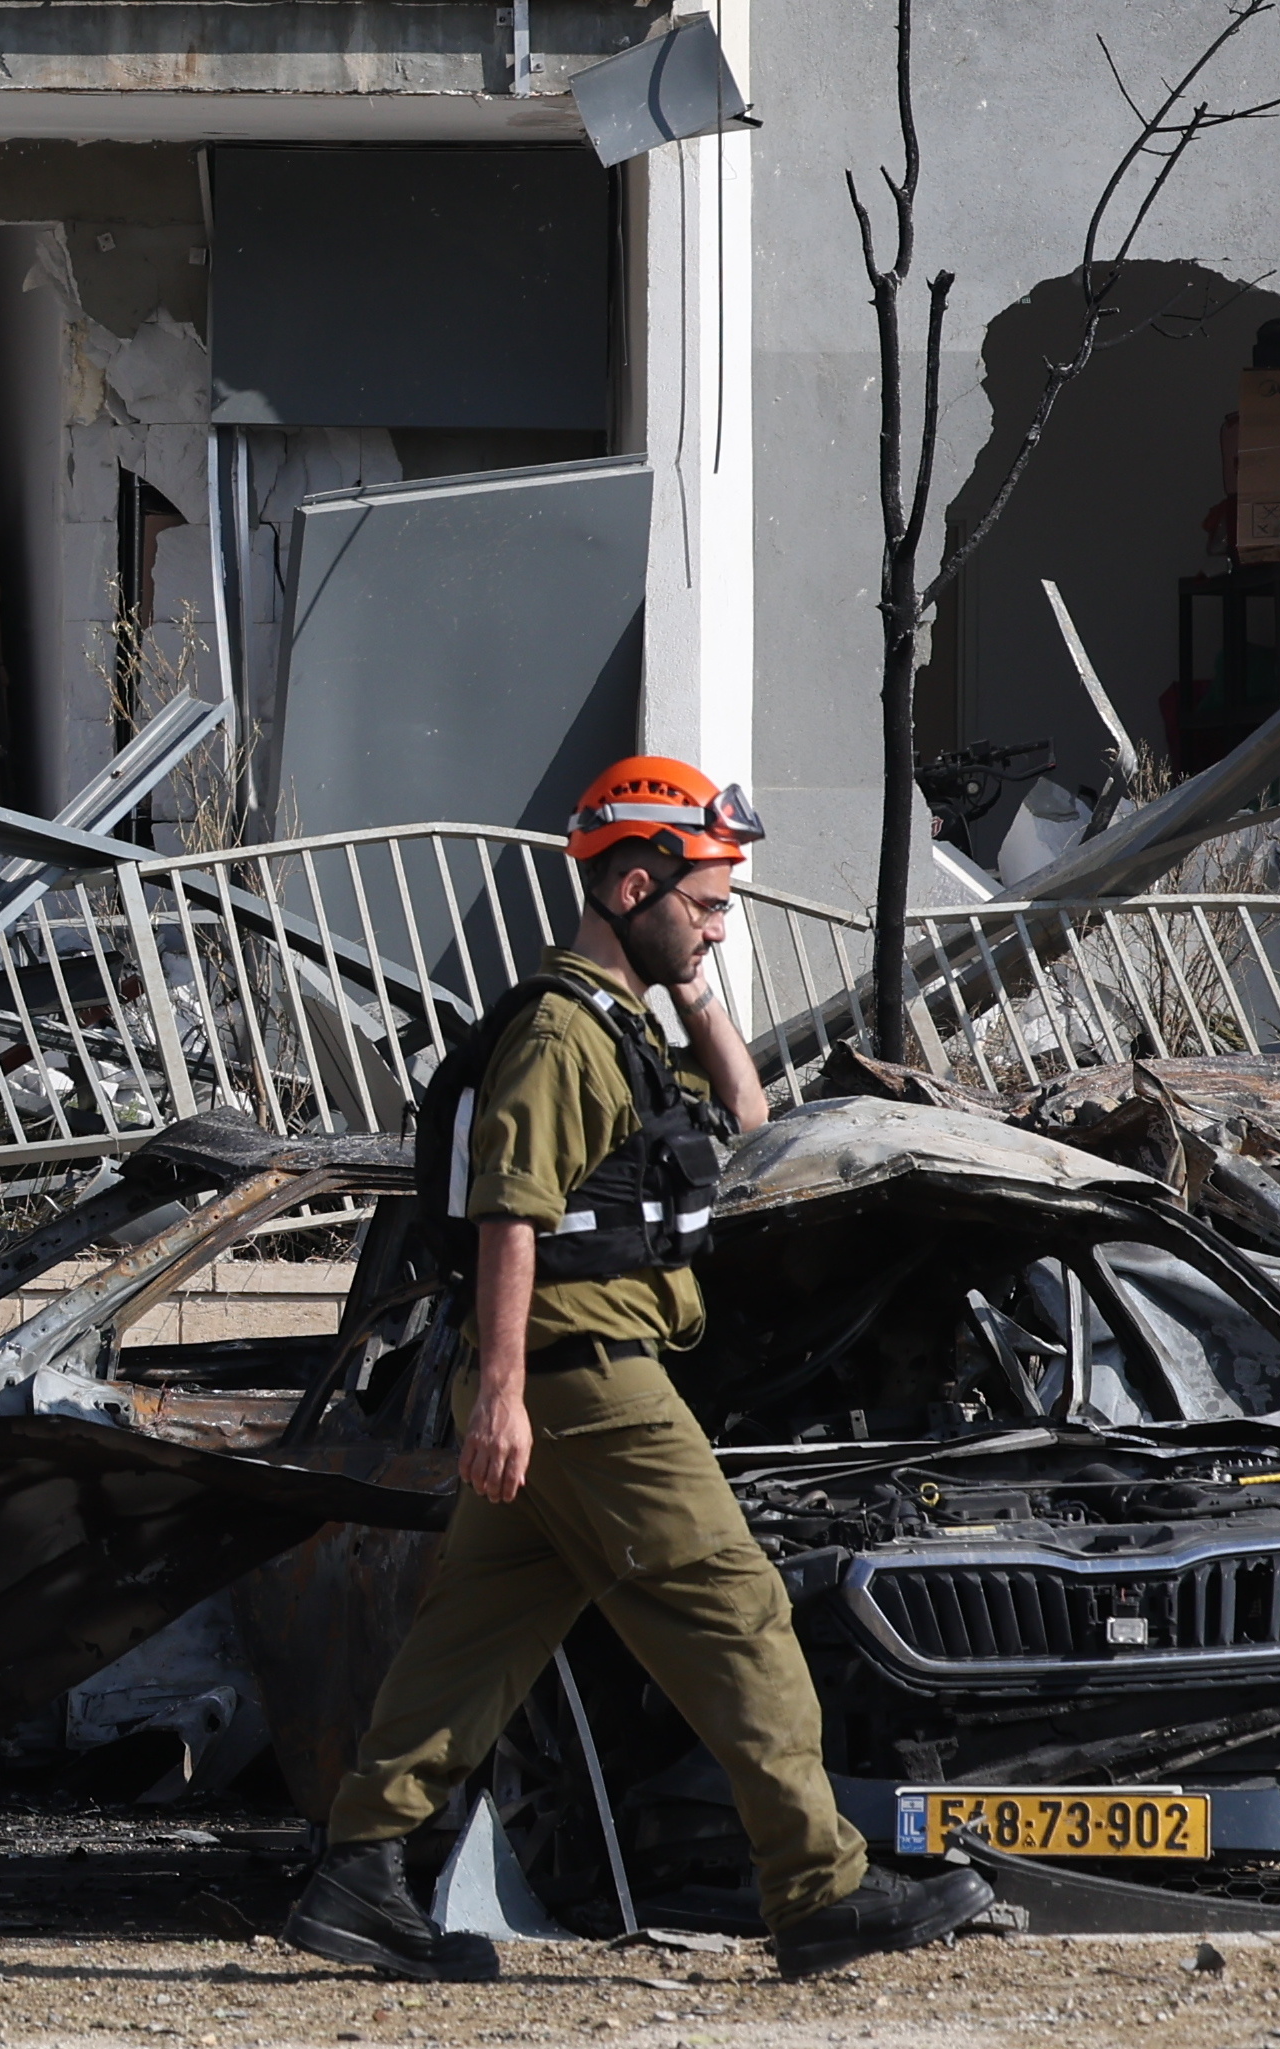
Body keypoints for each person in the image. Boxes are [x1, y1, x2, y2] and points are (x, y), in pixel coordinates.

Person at [286, 758, 999, 1980]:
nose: (722, 925)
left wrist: (696, 982)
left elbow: (747, 1109)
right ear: (631, 882)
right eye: (708, 902)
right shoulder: (559, 1035)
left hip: (573, 1382)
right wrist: (501, 1393)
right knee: (738, 1608)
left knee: (480, 1633)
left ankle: (361, 1870)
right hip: (582, 1380)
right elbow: (513, 1216)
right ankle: (819, 1886)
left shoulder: (619, 1024)